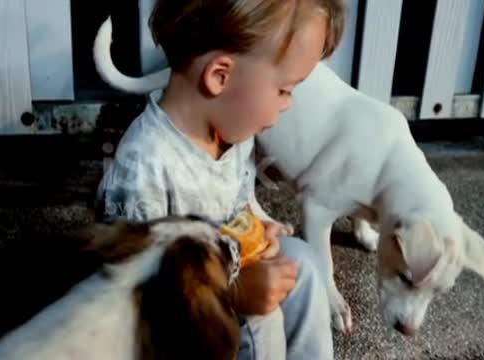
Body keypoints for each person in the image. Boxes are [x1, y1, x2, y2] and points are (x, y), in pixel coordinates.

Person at [95, 0, 345, 358]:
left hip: (220, 263)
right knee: (259, 315)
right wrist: (234, 292)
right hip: (168, 320)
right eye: (284, 90)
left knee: (301, 262)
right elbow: (135, 292)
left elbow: (234, 206)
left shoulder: (233, 133)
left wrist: (254, 229)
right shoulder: (142, 170)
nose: (289, 104)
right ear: (220, 77)